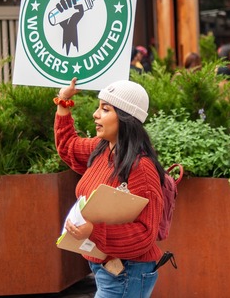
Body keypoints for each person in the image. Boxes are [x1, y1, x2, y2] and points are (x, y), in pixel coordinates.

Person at [55, 78, 166, 297]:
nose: (96, 114)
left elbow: (145, 234)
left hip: (126, 272)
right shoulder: (103, 148)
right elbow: (68, 147)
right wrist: (63, 101)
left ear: (126, 119)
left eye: (105, 109)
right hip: (108, 269)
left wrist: (93, 231)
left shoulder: (141, 169)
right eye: (98, 107)